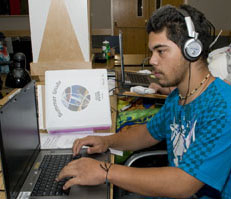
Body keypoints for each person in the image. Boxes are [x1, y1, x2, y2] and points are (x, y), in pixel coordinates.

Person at [57, 4, 231, 199]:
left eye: (161, 51)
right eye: (152, 52)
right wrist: (106, 141)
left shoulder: (223, 107)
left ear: (192, 50)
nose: (152, 61)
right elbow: (147, 134)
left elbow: (184, 183)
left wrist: (105, 171)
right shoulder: (178, 97)